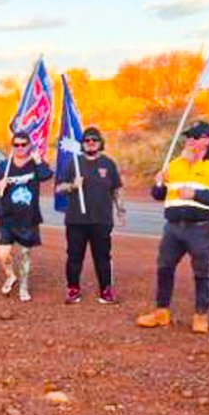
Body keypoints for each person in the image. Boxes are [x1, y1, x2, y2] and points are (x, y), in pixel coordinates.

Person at [137, 120, 209, 334]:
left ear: (207, 140)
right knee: (164, 268)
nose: (189, 141)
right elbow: (158, 196)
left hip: (201, 229)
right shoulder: (175, 164)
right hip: (173, 228)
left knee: (201, 272)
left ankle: (201, 314)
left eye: (194, 137)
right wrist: (159, 183)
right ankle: (161, 312)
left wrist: (196, 194)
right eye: (188, 137)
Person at [56, 126, 125, 305]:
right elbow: (59, 188)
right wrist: (72, 185)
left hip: (101, 220)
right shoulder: (74, 163)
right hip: (76, 220)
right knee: (74, 257)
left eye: (94, 140)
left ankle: (106, 291)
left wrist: (121, 211)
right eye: (87, 140)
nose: (91, 143)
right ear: (82, 144)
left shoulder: (108, 164)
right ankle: (73, 290)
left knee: (102, 257)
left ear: (100, 143)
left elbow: (117, 189)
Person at [0, 130, 52, 301]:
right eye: (16, 145)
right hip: (6, 217)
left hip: (28, 218)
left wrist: (38, 160)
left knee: (25, 254)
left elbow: (47, 176)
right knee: (2, 254)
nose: (20, 148)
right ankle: (10, 275)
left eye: (24, 144)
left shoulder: (35, 164)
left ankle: (24, 287)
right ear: (12, 146)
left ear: (29, 145)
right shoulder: (3, 166)